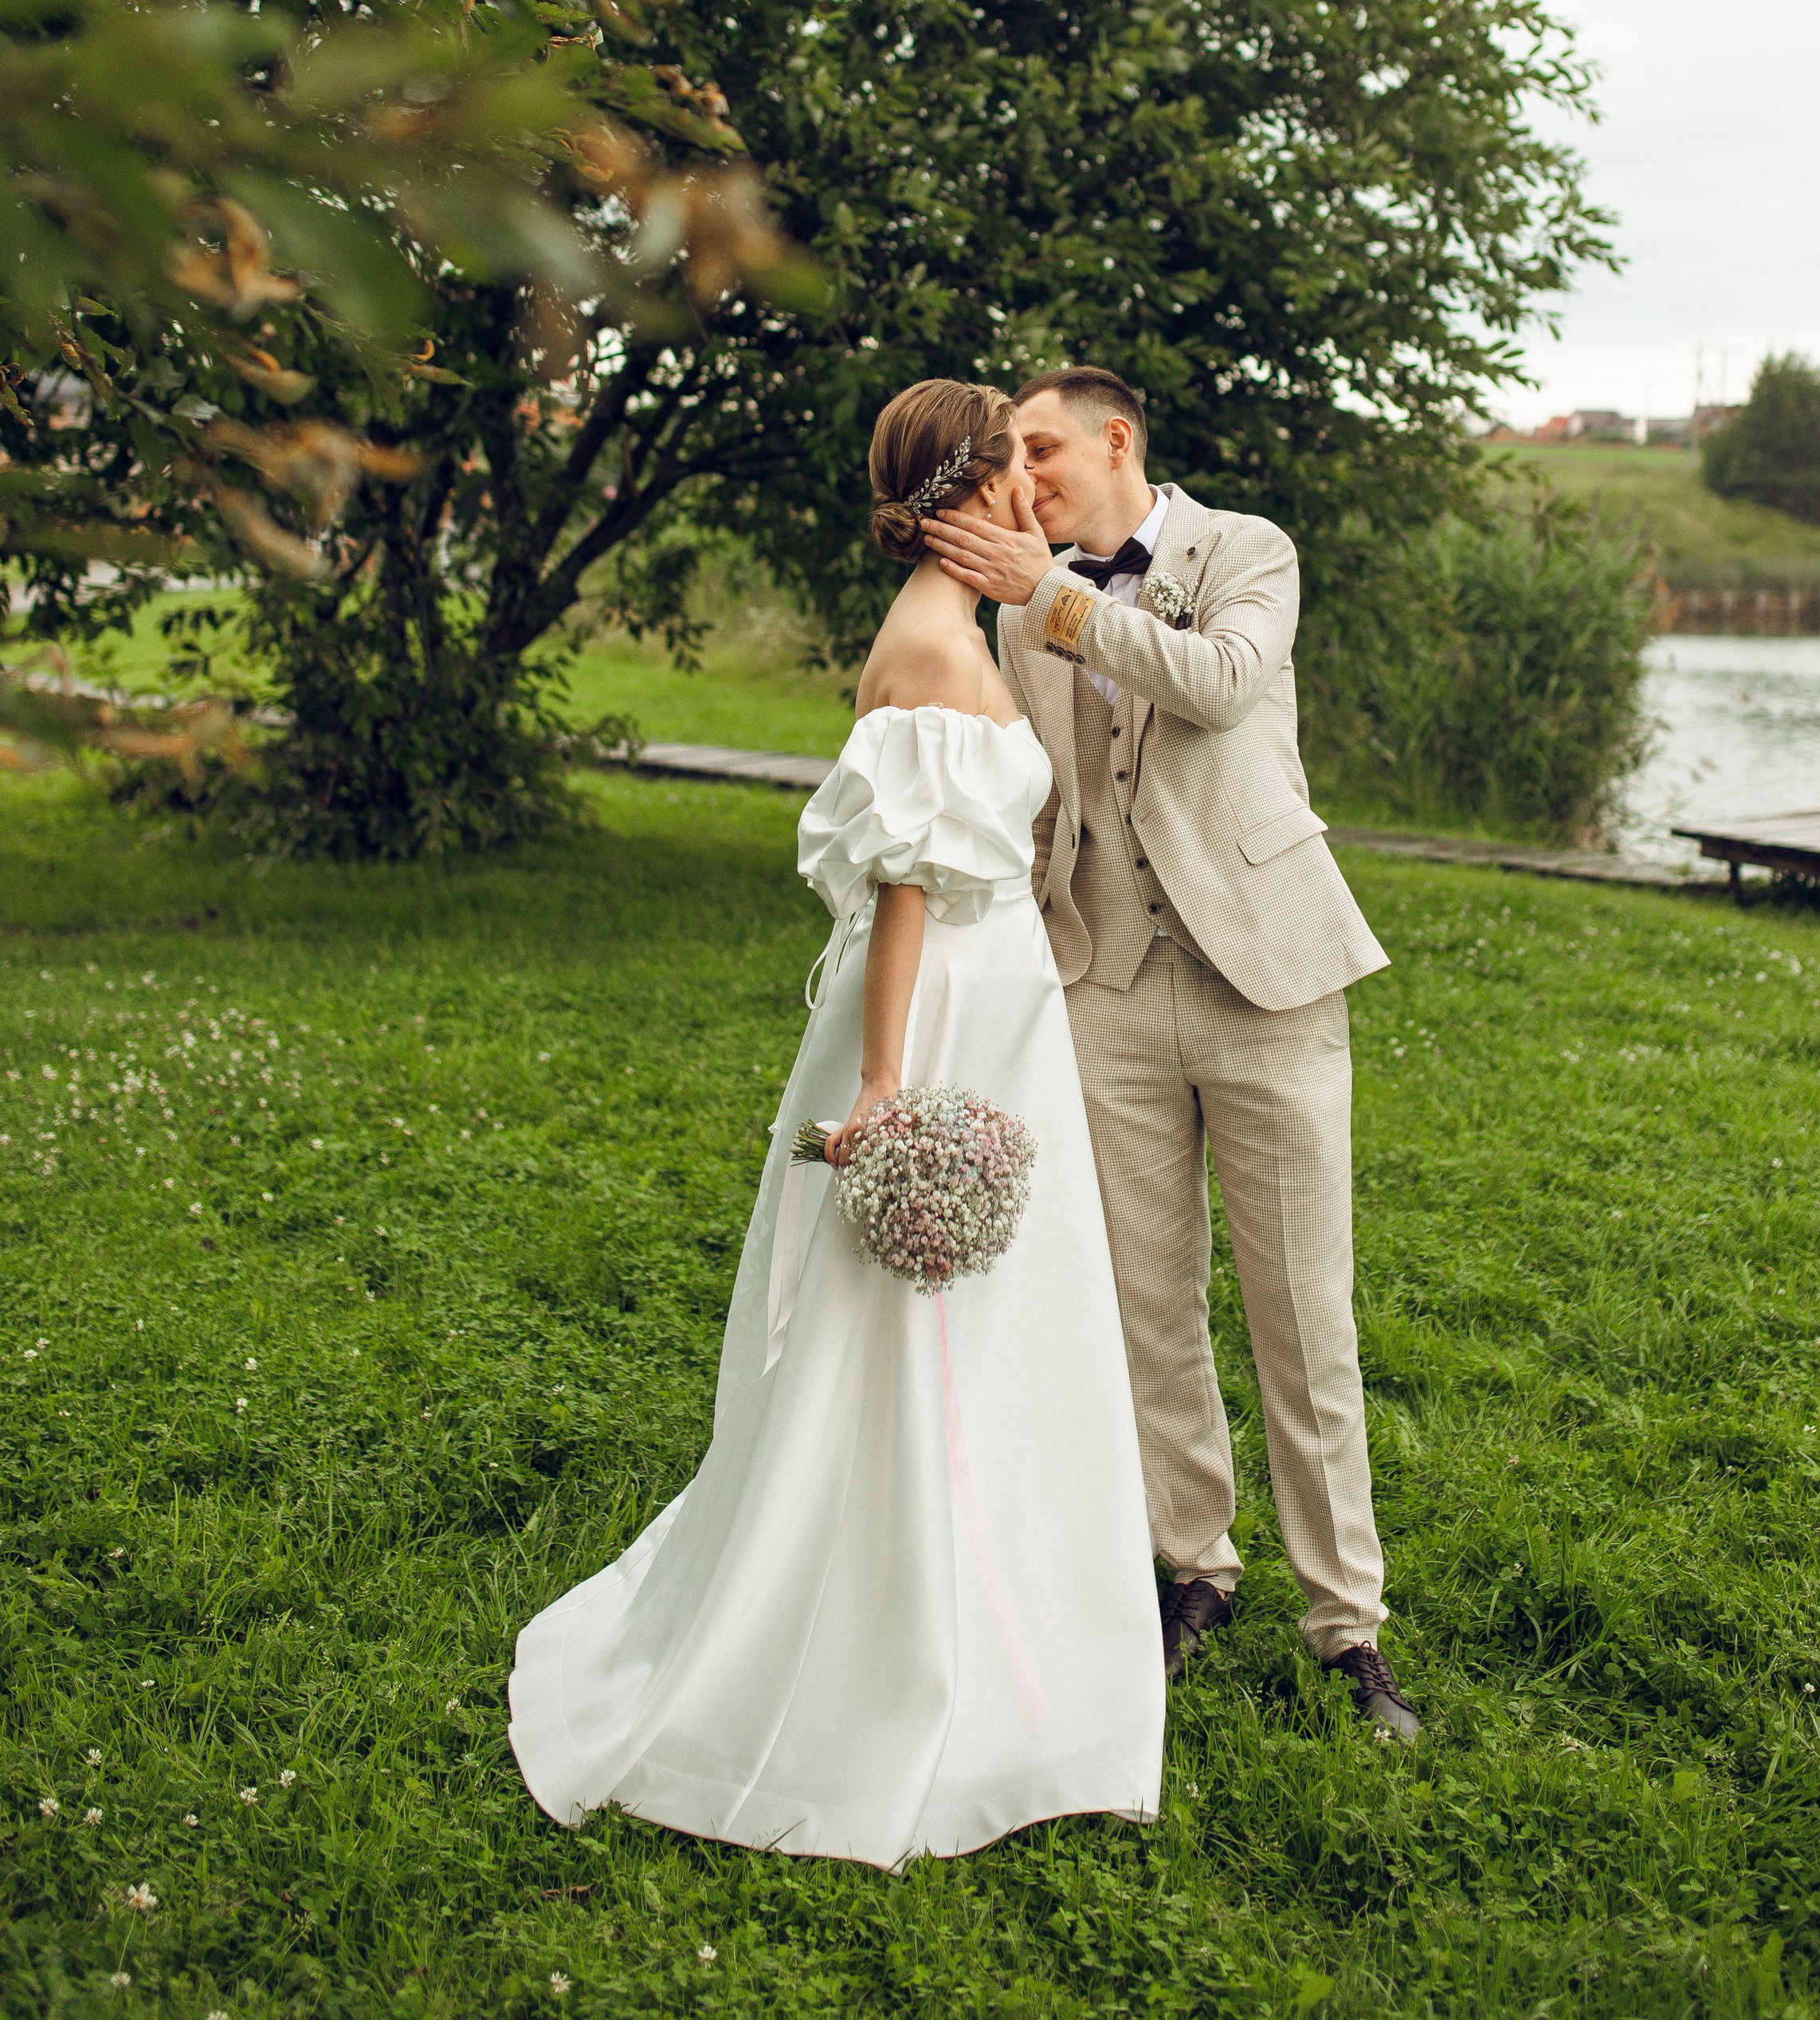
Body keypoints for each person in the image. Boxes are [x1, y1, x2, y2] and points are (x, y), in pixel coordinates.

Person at [508, 379, 1163, 1867]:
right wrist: (885, 1090)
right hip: (940, 1022)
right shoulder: (932, 650)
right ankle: (902, 1654)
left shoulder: (970, 620)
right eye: (1022, 461)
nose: (1039, 488)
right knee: (906, 1335)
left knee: (1008, 1331)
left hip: (1005, 1008)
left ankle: (1014, 1625)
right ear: (978, 481)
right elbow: (902, 902)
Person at [923, 366, 1418, 1743]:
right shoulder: (1029, 608)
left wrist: (1052, 596)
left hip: (1268, 981)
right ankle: (1191, 1567)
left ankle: (1347, 1629)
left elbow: (1218, 683)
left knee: (1303, 1320)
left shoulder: (1245, 551)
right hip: (1110, 987)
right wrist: (1008, 961)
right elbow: (1042, 806)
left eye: (1040, 447)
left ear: (1115, 439)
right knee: (1148, 1309)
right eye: (1009, 457)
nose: (1023, 475)